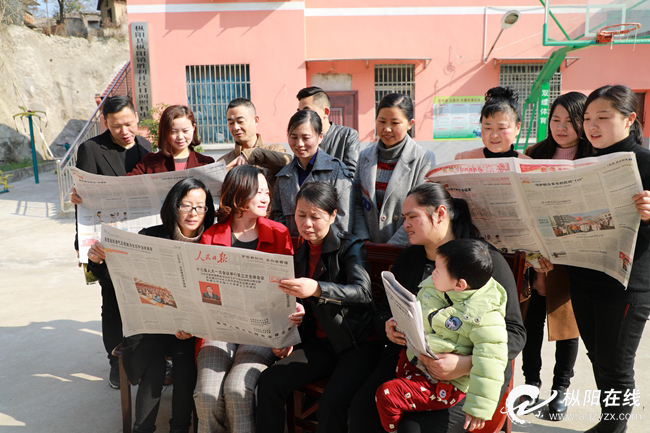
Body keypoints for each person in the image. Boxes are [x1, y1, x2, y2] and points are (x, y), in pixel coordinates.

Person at [349, 182, 527, 433]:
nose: (405, 225)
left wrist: (465, 363)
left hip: (470, 377)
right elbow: (383, 310)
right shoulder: (411, 258)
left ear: (440, 214)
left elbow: (515, 333)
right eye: (404, 218)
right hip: (411, 363)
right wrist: (388, 327)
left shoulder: (481, 260)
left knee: (413, 429)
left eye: (412, 217)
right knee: (361, 411)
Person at [87, 177, 215, 433]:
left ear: (207, 211)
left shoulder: (212, 242)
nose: (193, 213)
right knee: (153, 368)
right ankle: (142, 429)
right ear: (173, 206)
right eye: (186, 205)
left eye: (200, 207)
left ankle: (180, 427)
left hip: (192, 328)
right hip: (153, 325)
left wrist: (192, 324)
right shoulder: (150, 236)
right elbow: (120, 282)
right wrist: (99, 262)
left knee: (185, 367)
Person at [256, 181, 383, 433]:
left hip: (357, 345)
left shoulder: (350, 246)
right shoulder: (300, 253)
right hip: (322, 344)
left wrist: (317, 288)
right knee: (269, 381)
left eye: (316, 217)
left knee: (331, 404)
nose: (307, 224)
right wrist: (294, 320)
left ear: (333, 215)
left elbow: (363, 292)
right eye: (301, 215)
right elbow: (299, 305)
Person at [567, 85, 650, 433]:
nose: (592, 126)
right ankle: (609, 422)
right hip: (584, 278)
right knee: (598, 358)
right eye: (587, 118)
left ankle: (614, 428)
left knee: (617, 365)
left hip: (627, 286)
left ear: (630, 119)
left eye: (603, 117)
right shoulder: (583, 161)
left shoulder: (645, 162)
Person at [192, 165, 295, 433]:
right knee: (207, 393)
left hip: (259, 331)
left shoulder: (279, 233)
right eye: (258, 192)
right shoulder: (211, 237)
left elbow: (286, 294)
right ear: (239, 194)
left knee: (238, 389)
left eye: (267, 192)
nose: (266, 198)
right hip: (219, 329)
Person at [376, 239, 508, 433]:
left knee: (386, 395)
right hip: (417, 364)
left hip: (446, 384)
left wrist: (478, 408)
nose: (432, 272)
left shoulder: (485, 315)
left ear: (459, 285)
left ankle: (392, 431)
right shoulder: (433, 287)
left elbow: (491, 362)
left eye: (437, 269)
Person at [73, 95, 152, 388]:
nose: (124, 131)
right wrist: (84, 247)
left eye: (129, 124)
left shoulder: (145, 147)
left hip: (141, 240)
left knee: (143, 301)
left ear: (136, 118)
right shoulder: (91, 149)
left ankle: (144, 357)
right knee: (113, 303)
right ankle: (114, 363)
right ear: (106, 123)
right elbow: (84, 202)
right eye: (117, 126)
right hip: (106, 243)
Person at [521, 92, 592, 414]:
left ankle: (560, 389)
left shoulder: (594, 155)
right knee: (532, 322)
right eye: (555, 119)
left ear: (583, 122)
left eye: (570, 120)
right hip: (537, 252)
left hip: (575, 257)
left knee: (566, 326)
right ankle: (531, 384)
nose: (561, 127)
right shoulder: (535, 154)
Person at [353, 93, 436, 244]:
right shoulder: (364, 156)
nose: (387, 129)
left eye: (395, 123)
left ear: (410, 124)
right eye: (382, 121)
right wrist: (363, 240)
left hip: (405, 249)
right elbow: (358, 203)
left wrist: (392, 248)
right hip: (367, 249)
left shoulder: (424, 159)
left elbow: (421, 210)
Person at [271, 110, 353, 237]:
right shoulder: (283, 176)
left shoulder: (336, 171)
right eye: (293, 137)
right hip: (293, 251)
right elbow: (278, 215)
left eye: (306, 138)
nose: (299, 144)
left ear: (320, 137)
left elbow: (343, 218)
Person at [128, 105, 214, 174]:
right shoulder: (150, 162)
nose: (180, 137)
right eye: (174, 131)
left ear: (193, 128)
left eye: (185, 131)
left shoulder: (206, 163)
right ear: (165, 132)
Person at [296, 86, 360, 174]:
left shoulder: (347, 135)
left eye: (307, 111)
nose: (303, 116)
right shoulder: (300, 139)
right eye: (299, 112)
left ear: (326, 112)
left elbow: (351, 174)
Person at [455, 87, 531, 160]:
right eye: (488, 128)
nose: (494, 135)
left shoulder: (529, 165)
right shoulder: (464, 160)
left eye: (502, 128)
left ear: (517, 128)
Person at [218, 98, 290, 173]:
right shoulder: (224, 163)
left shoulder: (274, 150)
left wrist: (253, 154)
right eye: (231, 123)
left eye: (240, 121)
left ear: (256, 120)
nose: (236, 127)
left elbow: (287, 161)